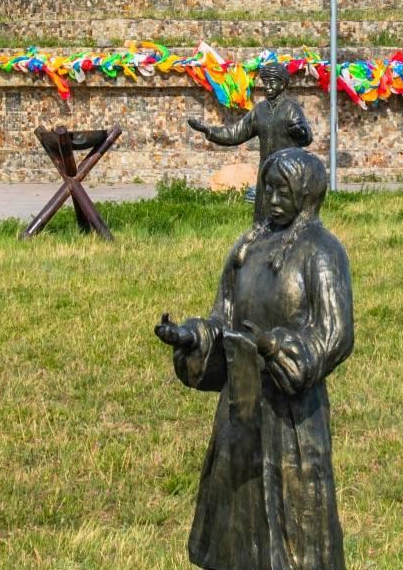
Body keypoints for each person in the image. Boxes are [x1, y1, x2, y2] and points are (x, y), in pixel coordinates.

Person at [156, 148, 353, 570]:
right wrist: (193, 336)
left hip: (293, 417)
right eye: (268, 189)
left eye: (284, 191)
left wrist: (279, 348)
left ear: (305, 194)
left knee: (296, 533)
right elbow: (221, 318)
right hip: (240, 409)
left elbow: (335, 334)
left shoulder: (322, 251)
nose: (274, 199)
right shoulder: (246, 248)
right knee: (237, 528)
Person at [186, 60, 313, 202]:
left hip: (287, 171)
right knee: (262, 215)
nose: (268, 87)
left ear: (282, 84)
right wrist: (208, 130)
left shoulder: (291, 109)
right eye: (265, 83)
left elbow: (306, 138)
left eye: (272, 83)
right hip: (266, 171)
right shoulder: (260, 110)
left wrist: (301, 132)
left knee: (285, 213)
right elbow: (235, 133)